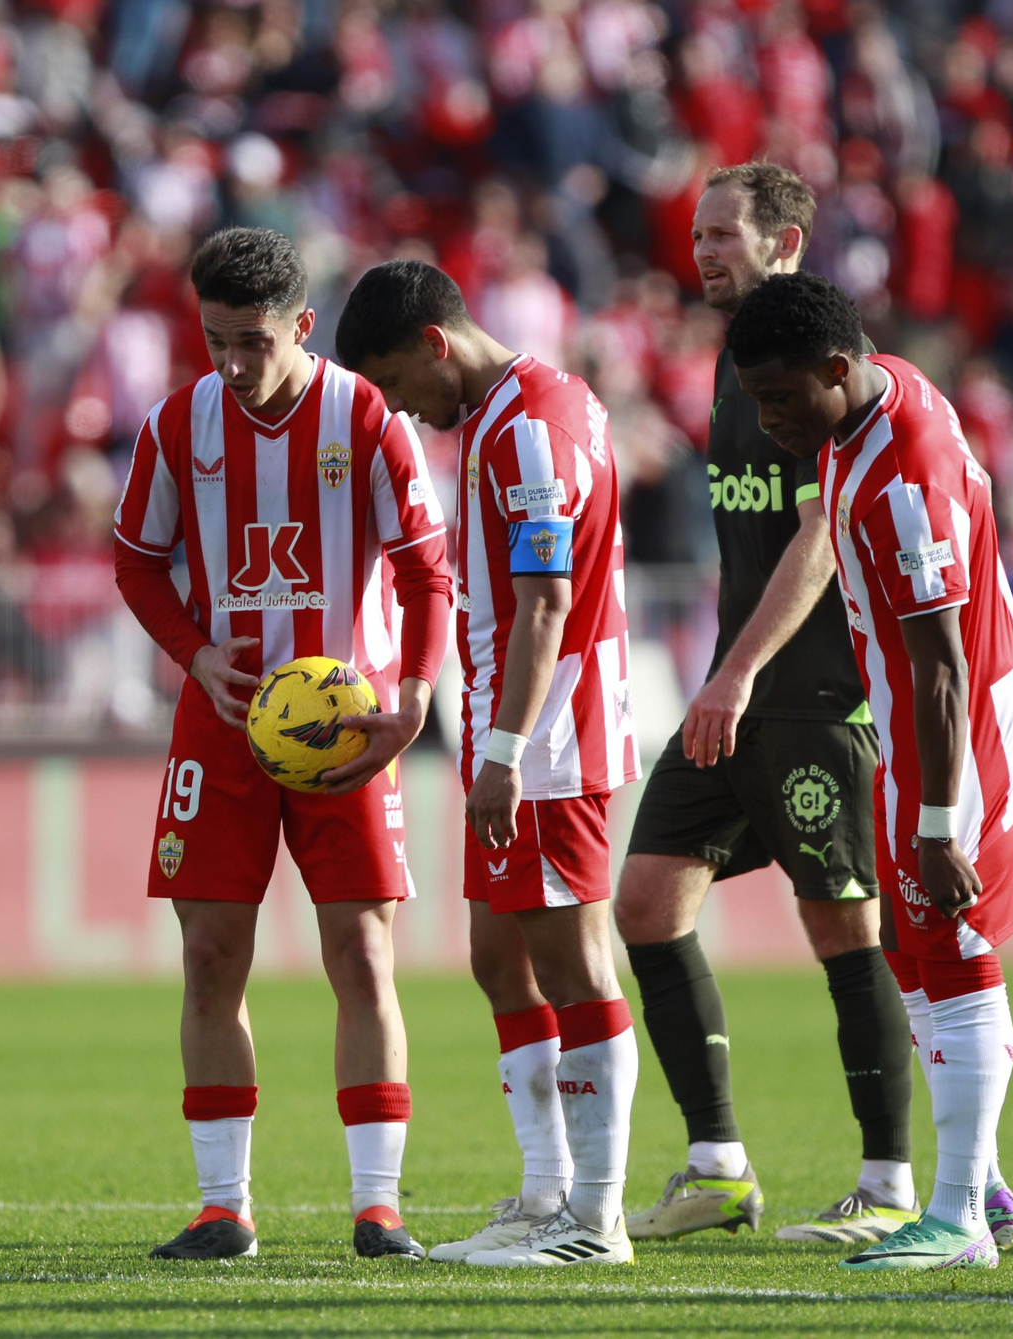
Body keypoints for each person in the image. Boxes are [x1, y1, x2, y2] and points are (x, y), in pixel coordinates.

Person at [113, 228, 453, 1263]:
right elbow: (135, 564)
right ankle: (224, 1206)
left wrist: (415, 697)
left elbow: (426, 571)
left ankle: (379, 1205)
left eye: (252, 342)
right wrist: (197, 652)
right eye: (213, 339)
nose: (229, 362)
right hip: (220, 729)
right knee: (211, 956)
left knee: (361, 952)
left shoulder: (366, 416)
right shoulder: (179, 426)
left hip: (348, 728)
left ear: (302, 328)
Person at [614, 163, 929, 1247]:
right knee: (648, 901)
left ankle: (887, 1181)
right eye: (694, 236)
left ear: (785, 242)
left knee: (842, 919)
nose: (701, 252)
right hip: (735, 687)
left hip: (813, 695)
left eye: (722, 236)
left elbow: (822, 537)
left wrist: (737, 672)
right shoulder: (729, 362)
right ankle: (717, 1168)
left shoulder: (813, 362)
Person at [727, 271, 1013, 1271]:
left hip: (951, 725)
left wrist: (944, 818)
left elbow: (942, 662)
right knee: (910, 951)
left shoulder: (903, 476)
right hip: (915, 718)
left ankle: (953, 1217)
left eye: (782, 397)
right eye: (756, 401)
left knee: (944, 944)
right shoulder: (878, 399)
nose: (771, 421)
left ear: (834, 368)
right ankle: (979, 1187)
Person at [336, 259, 641, 1267]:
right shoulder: (523, 407)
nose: (405, 413)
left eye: (396, 385)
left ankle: (594, 1220)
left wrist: (506, 748)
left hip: (546, 735)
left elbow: (547, 599)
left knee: (569, 961)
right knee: (498, 958)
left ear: (434, 345)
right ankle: (548, 1192)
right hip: (514, 733)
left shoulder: (524, 427)